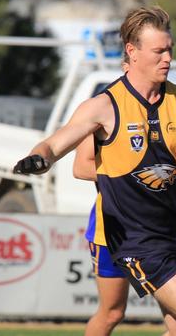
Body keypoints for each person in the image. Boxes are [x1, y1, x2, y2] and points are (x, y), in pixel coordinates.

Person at [13, 6, 176, 336]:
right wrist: (39, 158)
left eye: (170, 49)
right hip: (133, 238)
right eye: (159, 51)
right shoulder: (104, 106)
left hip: (173, 233)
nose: (168, 58)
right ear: (132, 51)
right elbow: (55, 146)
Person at [74, 134, 129, 336]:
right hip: (110, 230)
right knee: (112, 313)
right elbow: (81, 167)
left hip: (160, 227)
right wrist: (133, 175)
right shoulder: (103, 110)